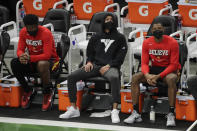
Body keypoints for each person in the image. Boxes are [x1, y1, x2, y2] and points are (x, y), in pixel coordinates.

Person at [59, 14, 128, 123]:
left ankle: (114, 110)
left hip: (110, 67)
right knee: (72, 77)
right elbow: (90, 52)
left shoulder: (120, 37)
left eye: (111, 19)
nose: (109, 21)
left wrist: (109, 65)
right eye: (107, 19)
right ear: (103, 22)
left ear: (115, 22)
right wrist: (89, 62)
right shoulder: (96, 36)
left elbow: (121, 56)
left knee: (115, 77)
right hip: (95, 65)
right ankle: (73, 108)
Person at [124, 22, 180, 127]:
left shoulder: (172, 42)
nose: (157, 30)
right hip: (154, 69)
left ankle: (171, 113)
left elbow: (174, 65)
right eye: (154, 28)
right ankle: (136, 113)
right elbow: (144, 63)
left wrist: (158, 76)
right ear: (151, 31)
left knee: (171, 79)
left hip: (168, 70)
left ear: (163, 30)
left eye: (159, 28)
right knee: (135, 78)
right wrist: (147, 75)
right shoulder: (147, 42)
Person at [10, 14, 59, 111]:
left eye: (33, 27)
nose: (31, 30)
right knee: (14, 63)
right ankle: (27, 90)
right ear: (25, 26)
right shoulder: (23, 32)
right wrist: (21, 56)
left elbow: (47, 55)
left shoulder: (46, 33)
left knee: (42, 64)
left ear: (37, 25)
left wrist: (29, 58)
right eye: (29, 28)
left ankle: (47, 91)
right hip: (33, 60)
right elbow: (19, 50)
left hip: (51, 62)